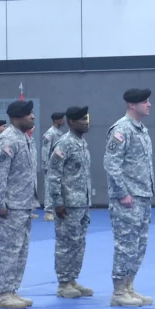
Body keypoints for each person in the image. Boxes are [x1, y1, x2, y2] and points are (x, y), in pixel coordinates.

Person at [103, 88, 155, 307]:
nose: (149, 104)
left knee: (138, 245)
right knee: (125, 245)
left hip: (142, 196)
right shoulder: (122, 129)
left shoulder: (141, 129)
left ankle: (129, 286)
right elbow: (111, 163)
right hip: (128, 198)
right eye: (144, 101)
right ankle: (118, 292)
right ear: (132, 105)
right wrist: (122, 192)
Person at [0, 100, 38, 309]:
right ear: (17, 117)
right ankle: (4, 293)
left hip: (23, 204)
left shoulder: (23, 139)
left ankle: (12, 290)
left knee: (20, 250)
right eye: (28, 114)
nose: (33, 116)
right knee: (8, 250)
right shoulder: (8, 140)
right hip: (10, 206)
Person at [46, 106, 93, 299]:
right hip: (68, 204)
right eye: (82, 119)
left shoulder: (82, 143)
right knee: (66, 243)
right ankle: (64, 283)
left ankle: (73, 279)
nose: (86, 122)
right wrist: (57, 202)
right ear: (72, 122)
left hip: (82, 202)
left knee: (78, 243)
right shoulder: (63, 144)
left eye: (87, 118)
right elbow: (54, 174)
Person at [40, 112, 65, 222]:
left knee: (57, 188)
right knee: (49, 187)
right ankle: (48, 212)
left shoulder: (59, 132)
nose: (63, 121)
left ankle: (55, 209)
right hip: (50, 166)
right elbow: (45, 150)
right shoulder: (50, 133)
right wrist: (46, 165)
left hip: (58, 166)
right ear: (56, 120)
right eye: (61, 119)